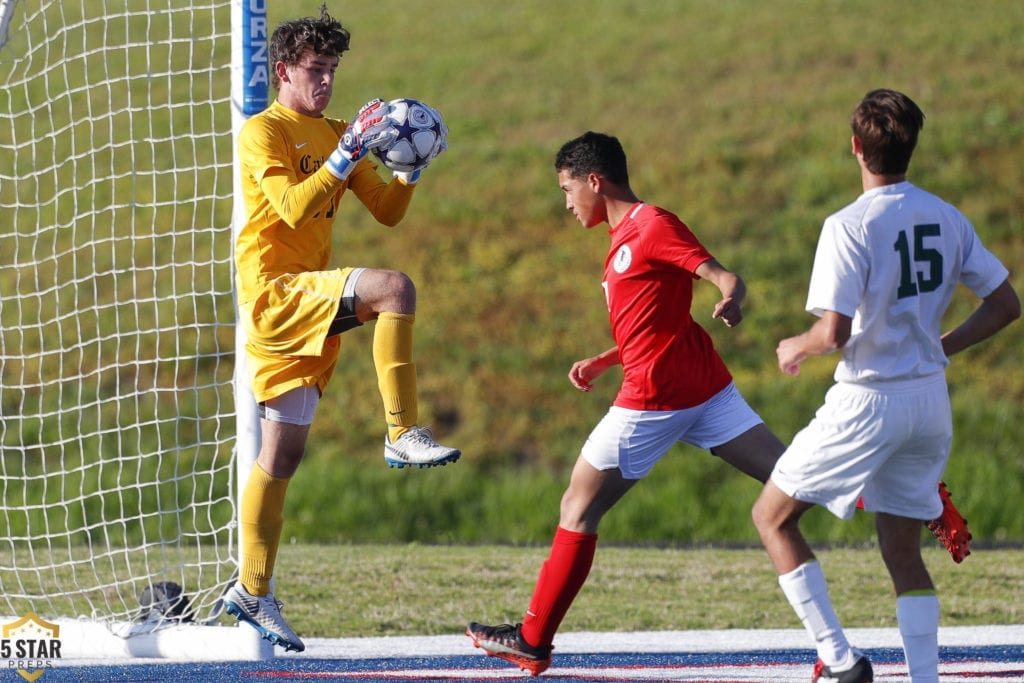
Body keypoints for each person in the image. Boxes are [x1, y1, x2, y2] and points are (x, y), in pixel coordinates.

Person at [465, 130, 792, 675]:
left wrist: (731, 298)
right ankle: (919, 499)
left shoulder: (652, 225)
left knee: (578, 507)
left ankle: (533, 639)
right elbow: (655, 321)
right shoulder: (625, 236)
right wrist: (603, 359)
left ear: (594, 181)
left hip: (655, 401)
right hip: (704, 389)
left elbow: (723, 276)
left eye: (568, 189)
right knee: (794, 477)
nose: (566, 203)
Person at [751, 89, 1020, 683]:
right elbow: (1006, 304)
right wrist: (939, 346)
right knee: (902, 552)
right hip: (929, 401)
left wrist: (797, 344)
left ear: (855, 147)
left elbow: (835, 333)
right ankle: (925, 679)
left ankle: (842, 661)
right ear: (912, 146)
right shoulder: (948, 216)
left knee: (772, 517)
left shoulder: (848, 225)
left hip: (868, 400)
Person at [223, 5, 459, 652]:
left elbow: (385, 212)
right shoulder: (263, 133)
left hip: (306, 304)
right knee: (394, 288)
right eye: (315, 70)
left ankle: (252, 587)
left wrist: (410, 166)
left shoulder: (334, 130)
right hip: (275, 295)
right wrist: (349, 148)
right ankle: (400, 431)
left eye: (332, 70)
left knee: (282, 455)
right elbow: (294, 210)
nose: (326, 81)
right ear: (283, 72)